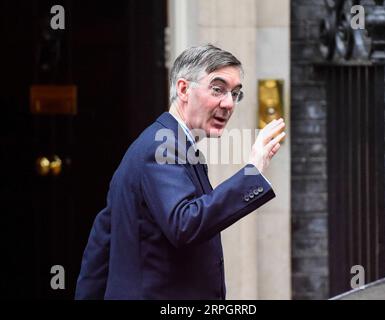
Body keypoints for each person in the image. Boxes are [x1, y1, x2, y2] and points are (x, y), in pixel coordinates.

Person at [75, 44, 286, 299]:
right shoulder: (161, 146)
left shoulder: (171, 145)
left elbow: (103, 240)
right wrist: (252, 172)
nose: (229, 103)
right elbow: (185, 224)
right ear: (184, 89)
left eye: (235, 93)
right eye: (218, 89)